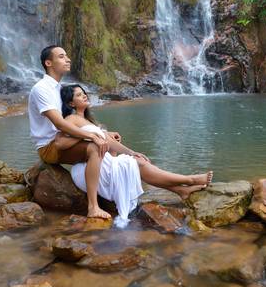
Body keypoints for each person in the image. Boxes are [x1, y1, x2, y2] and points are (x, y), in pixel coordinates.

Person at [55, 84, 212, 225]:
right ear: (70, 103)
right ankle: (189, 180)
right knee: (139, 165)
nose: (84, 95)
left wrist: (132, 152)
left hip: (101, 163)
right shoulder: (71, 118)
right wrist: (90, 136)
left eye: (84, 93)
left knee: (137, 161)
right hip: (88, 169)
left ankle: (181, 190)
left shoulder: (89, 121)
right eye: (78, 95)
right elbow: (60, 143)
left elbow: (111, 143)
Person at [29, 45, 142, 219]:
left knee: (106, 144)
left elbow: (74, 120)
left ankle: (115, 192)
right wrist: (92, 135)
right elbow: (60, 124)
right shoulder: (41, 89)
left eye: (67, 56)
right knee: (95, 147)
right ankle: (93, 207)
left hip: (66, 140)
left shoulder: (58, 89)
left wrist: (100, 132)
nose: (68, 59)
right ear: (48, 63)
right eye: (61, 56)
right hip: (50, 146)